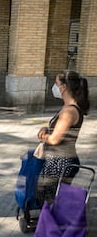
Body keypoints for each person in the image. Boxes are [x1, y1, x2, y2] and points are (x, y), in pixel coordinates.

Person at [36, 70, 90, 204]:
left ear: (64, 87)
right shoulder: (68, 108)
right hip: (60, 160)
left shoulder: (69, 111)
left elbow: (54, 139)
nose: (54, 87)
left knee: (51, 199)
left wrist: (43, 136)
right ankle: (49, 222)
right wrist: (47, 129)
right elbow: (59, 131)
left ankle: (51, 223)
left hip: (61, 162)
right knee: (50, 198)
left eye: (56, 84)